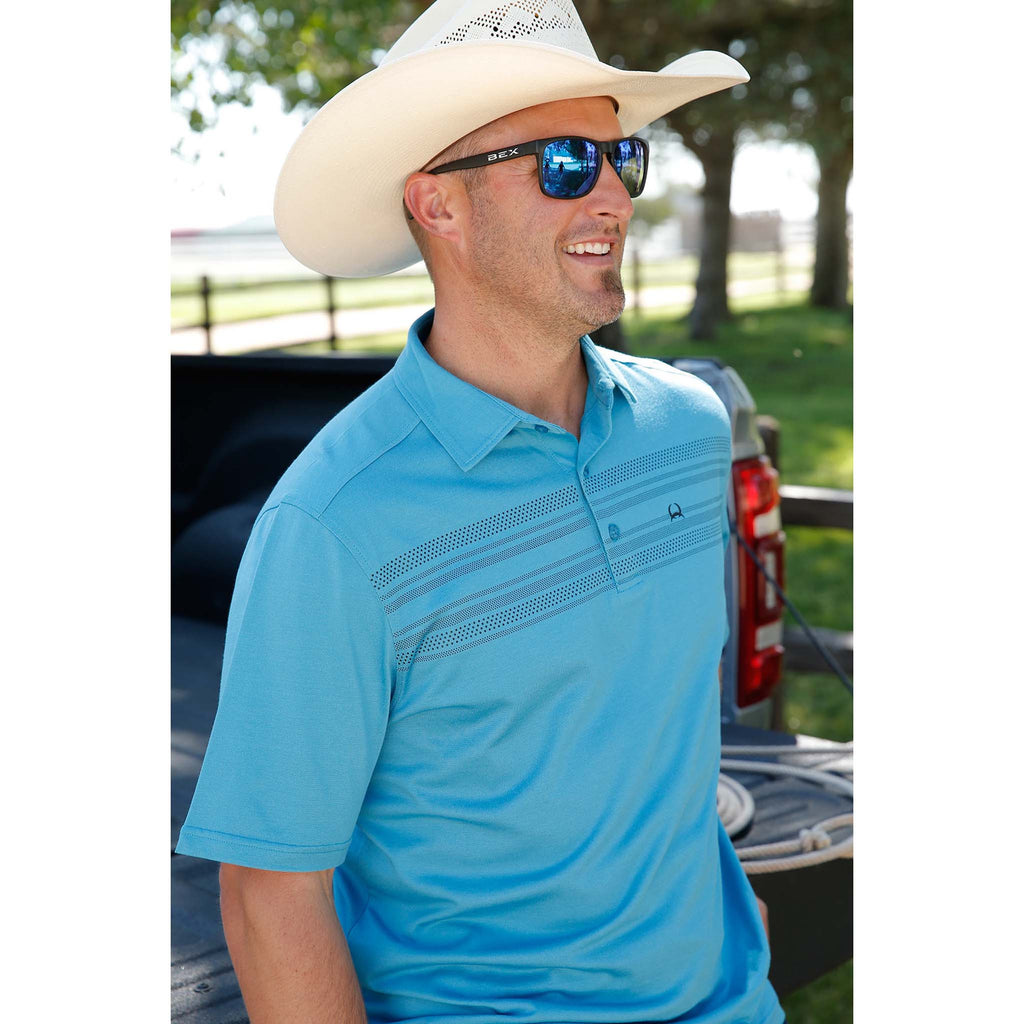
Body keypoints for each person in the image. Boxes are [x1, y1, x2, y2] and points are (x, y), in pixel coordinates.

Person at [176, 2, 784, 1022]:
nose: (612, 196)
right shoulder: (332, 524)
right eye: (563, 164)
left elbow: (653, 733)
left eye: (622, 158)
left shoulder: (687, 427)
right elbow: (272, 891)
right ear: (438, 207)